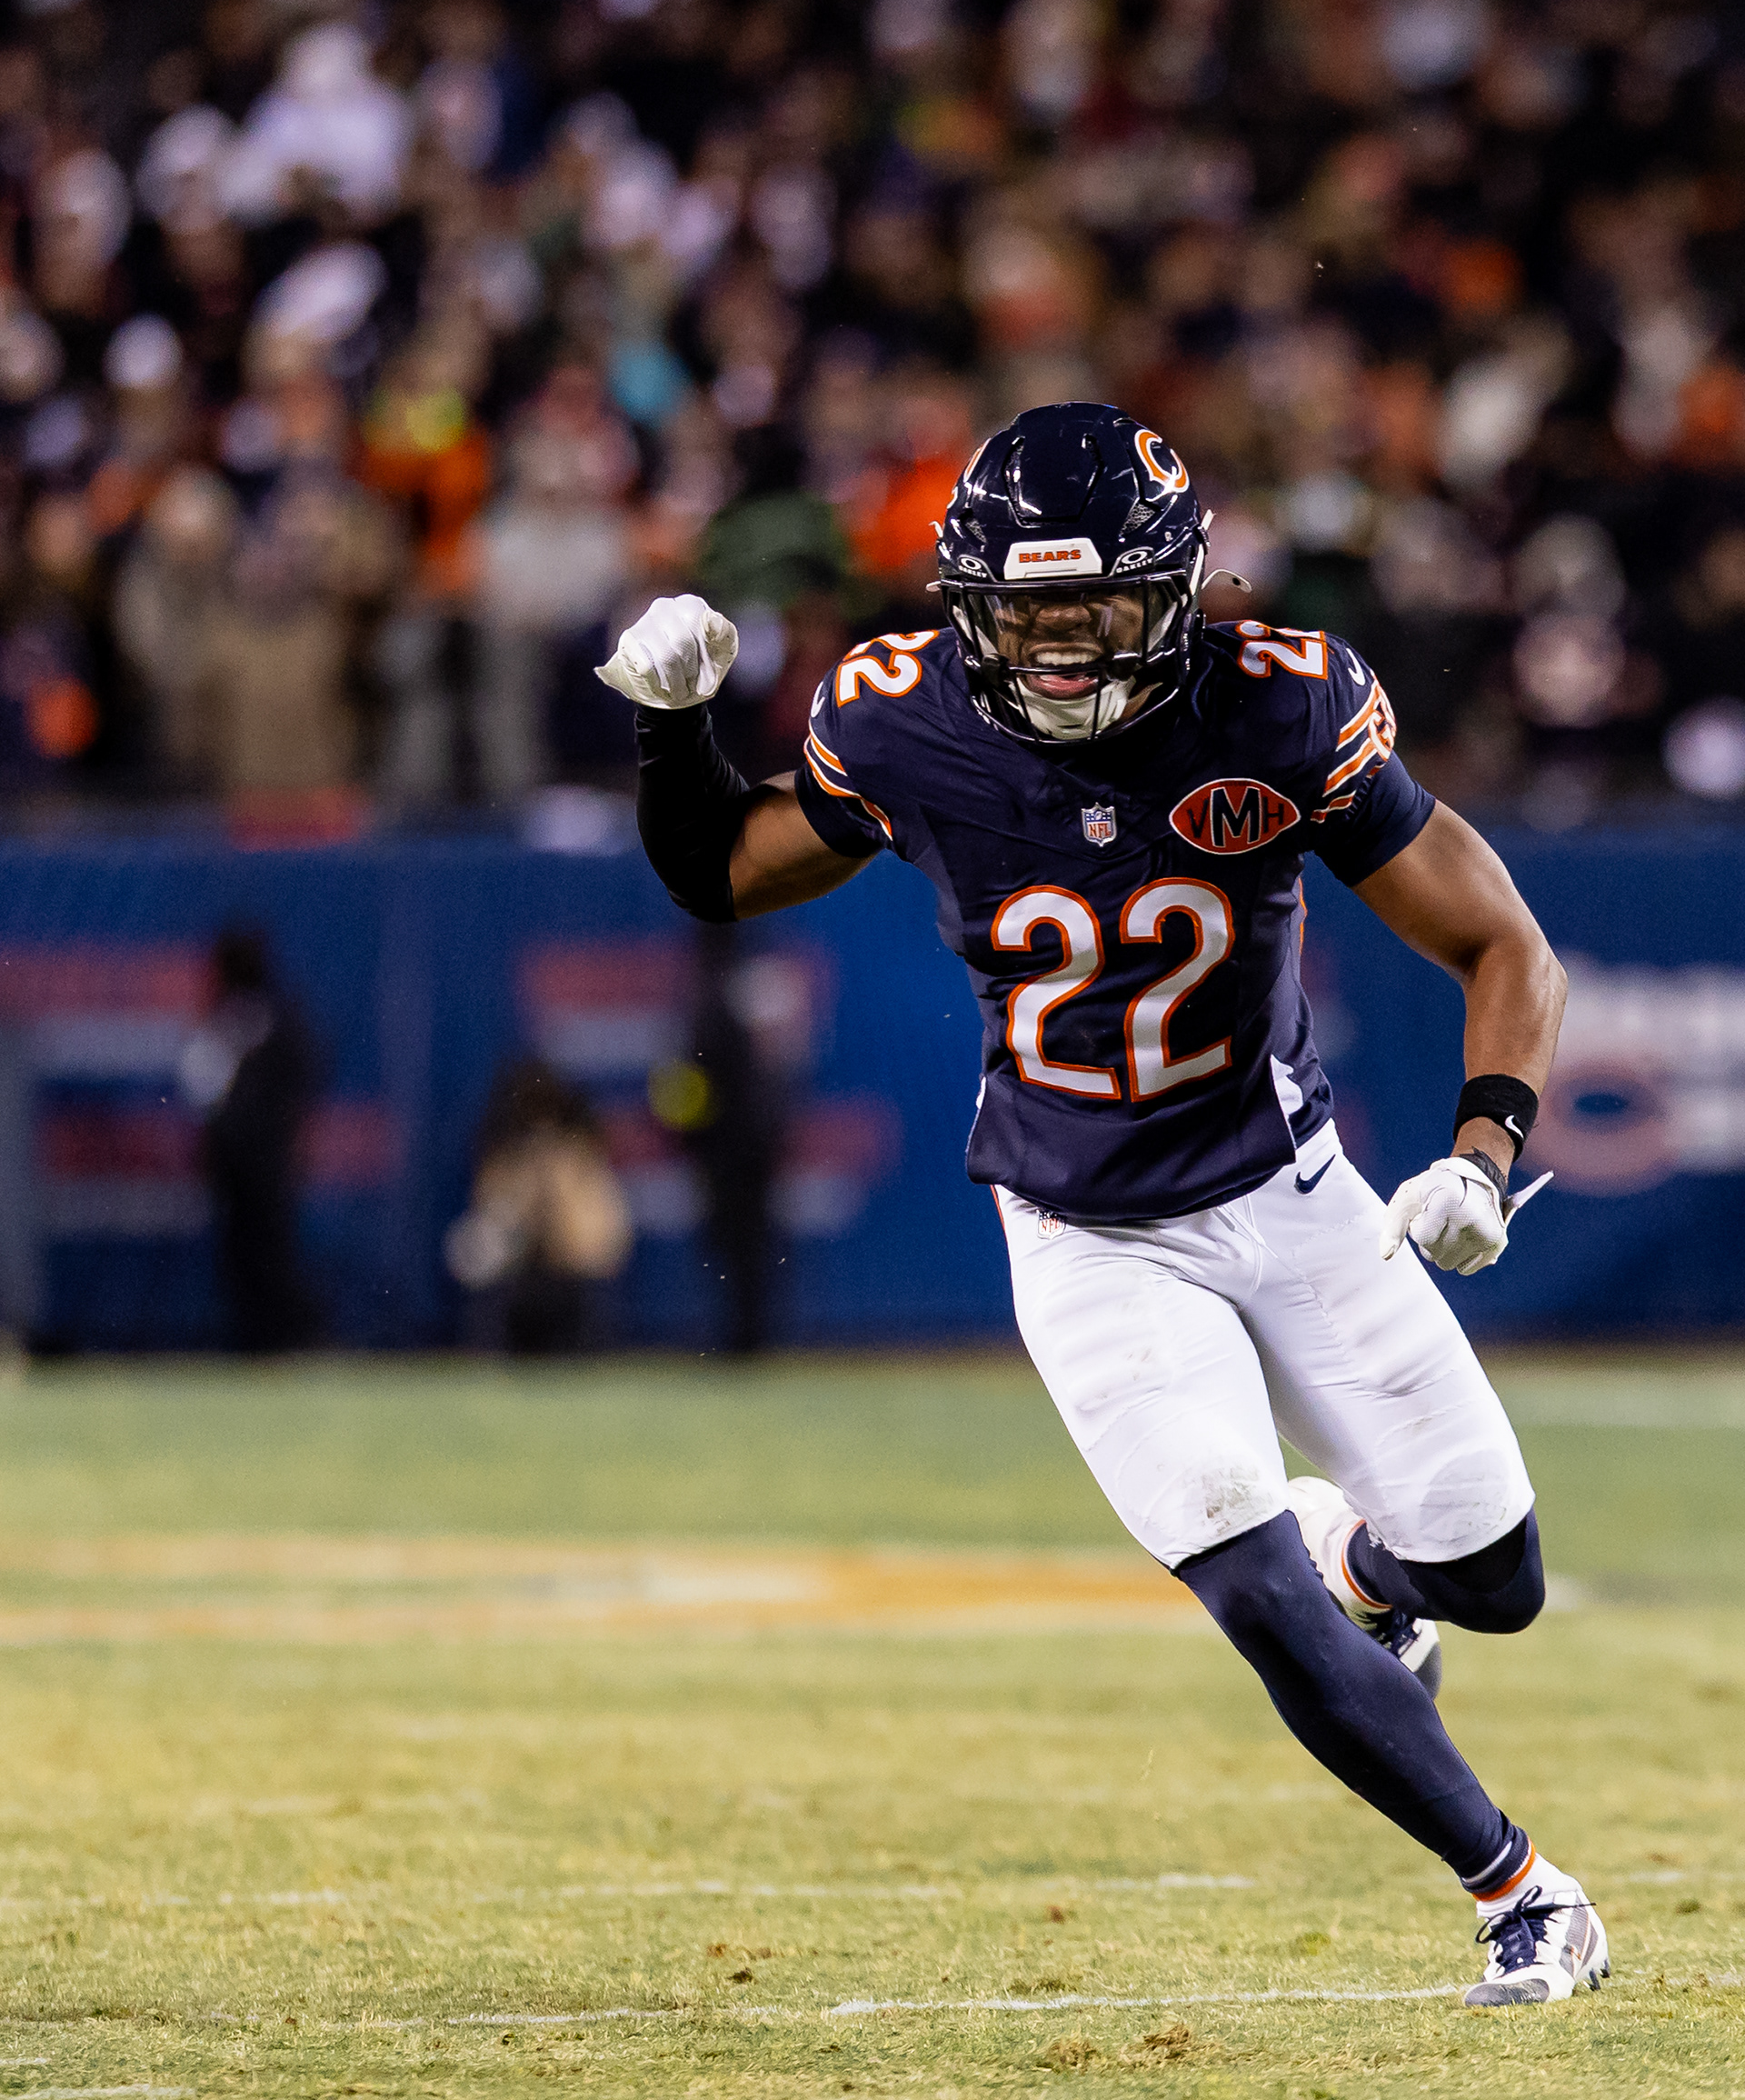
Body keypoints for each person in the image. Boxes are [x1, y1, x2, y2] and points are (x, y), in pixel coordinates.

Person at [600, 401, 1604, 2010]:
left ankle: (1367, 1573)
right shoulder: (903, 719)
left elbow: (1504, 945)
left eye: (1099, 611)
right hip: (1084, 1226)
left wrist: (1485, 1155)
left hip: (1292, 1191)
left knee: (1496, 1582)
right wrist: (671, 730)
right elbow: (722, 872)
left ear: (1180, 593)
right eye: (1030, 615)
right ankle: (1524, 1894)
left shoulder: (1282, 706)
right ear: (967, 608)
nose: (1063, 652)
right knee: (1245, 1573)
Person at [180, 927, 319, 1353]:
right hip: (236, 1157)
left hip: (263, 1157)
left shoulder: (269, 1016)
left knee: (267, 1250)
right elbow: (202, 1086)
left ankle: (284, 1340)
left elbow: (301, 1079)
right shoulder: (229, 1018)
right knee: (243, 1252)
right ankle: (256, 1341)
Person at [444, 1060, 632, 1356]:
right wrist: (526, 1201)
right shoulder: (504, 1157)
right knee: (478, 1252)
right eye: (532, 1115)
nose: (541, 1127)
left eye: (547, 1113)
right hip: (516, 1277)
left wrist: (558, 1199)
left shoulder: (580, 1158)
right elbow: (487, 1228)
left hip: (572, 1278)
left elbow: (603, 1240)